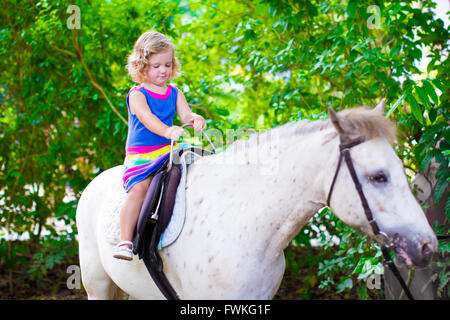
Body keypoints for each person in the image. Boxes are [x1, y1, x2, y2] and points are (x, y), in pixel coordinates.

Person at [113, 31, 206, 260]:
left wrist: (194, 119)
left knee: (189, 178)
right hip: (142, 156)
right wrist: (167, 130)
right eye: (156, 66)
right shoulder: (137, 94)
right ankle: (125, 240)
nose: (163, 70)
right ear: (142, 66)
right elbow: (146, 118)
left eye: (167, 64)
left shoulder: (175, 92)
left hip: (167, 152)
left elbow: (185, 115)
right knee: (140, 189)